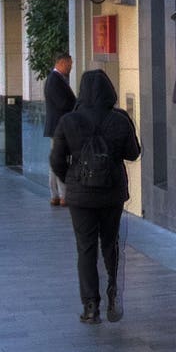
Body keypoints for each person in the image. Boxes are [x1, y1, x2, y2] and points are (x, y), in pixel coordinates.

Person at [50, 69, 141, 322]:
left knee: (86, 248)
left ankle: (91, 306)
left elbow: (56, 159)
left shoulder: (69, 121)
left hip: (81, 197)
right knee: (111, 244)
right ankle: (113, 291)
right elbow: (133, 153)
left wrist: (71, 179)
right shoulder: (120, 119)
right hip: (112, 193)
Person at [42, 50, 76, 206]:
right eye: (70, 64)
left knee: (56, 159)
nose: (71, 67)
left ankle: (56, 194)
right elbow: (63, 104)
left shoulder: (56, 79)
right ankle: (62, 195)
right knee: (59, 160)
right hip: (58, 128)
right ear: (62, 63)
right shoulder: (55, 80)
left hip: (57, 127)